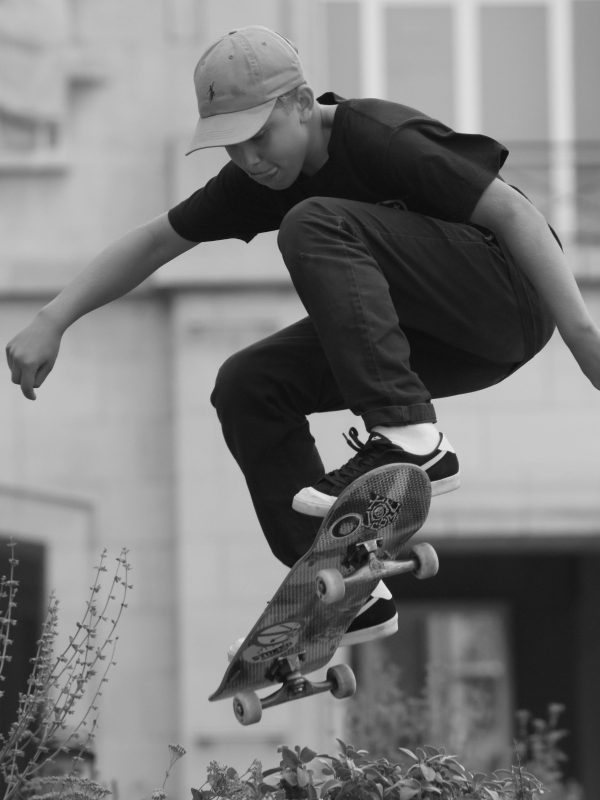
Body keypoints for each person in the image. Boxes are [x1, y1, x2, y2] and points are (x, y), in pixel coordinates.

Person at [6, 26, 600, 647]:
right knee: (248, 385)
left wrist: (582, 337)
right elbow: (157, 240)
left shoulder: (379, 137)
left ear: (301, 103)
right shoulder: (258, 181)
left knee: (312, 223)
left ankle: (409, 435)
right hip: (444, 344)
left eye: (259, 137)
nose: (250, 161)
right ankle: (346, 579)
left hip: (506, 298)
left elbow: (513, 212)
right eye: (232, 148)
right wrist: (54, 317)